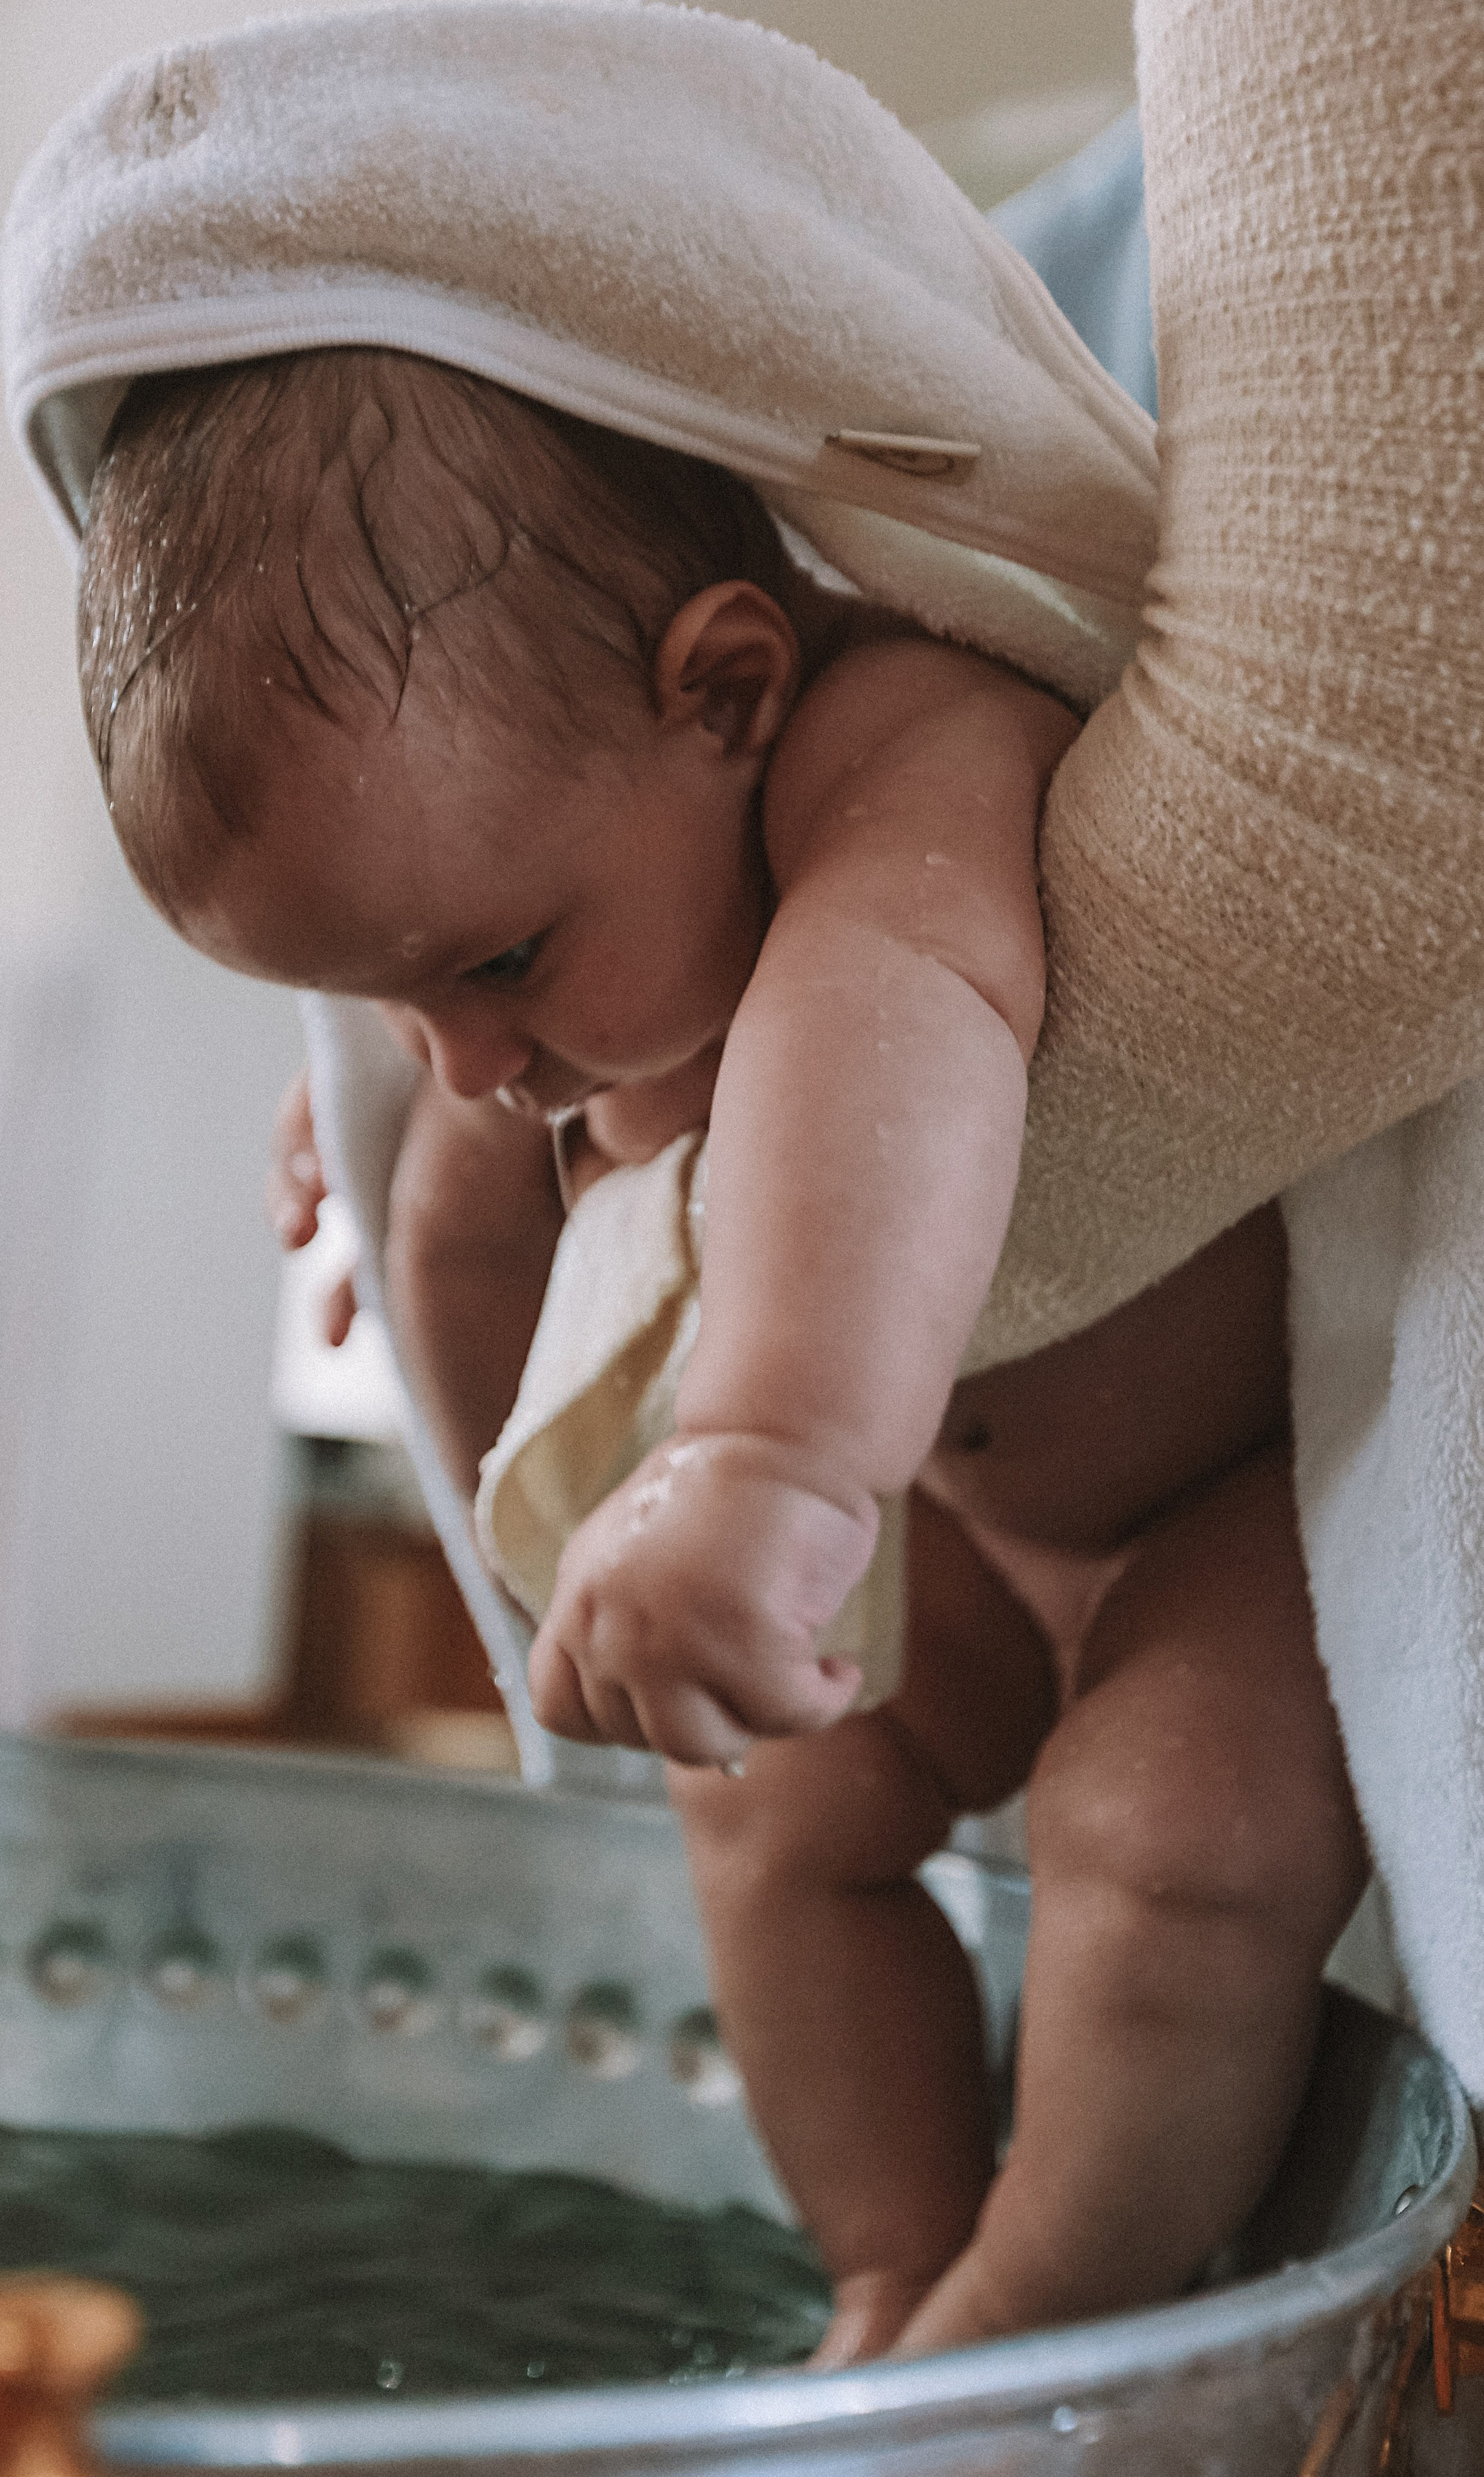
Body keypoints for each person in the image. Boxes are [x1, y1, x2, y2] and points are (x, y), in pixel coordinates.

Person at [83, 345, 1365, 2364]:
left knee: (1180, 1838)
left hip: (1230, 1505)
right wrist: (399, 1139)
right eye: (385, 1005)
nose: (476, 1063)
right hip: (947, 1516)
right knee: (764, 1811)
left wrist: (760, 1465)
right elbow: (473, 1227)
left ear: (730, 692)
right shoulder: (570, 899)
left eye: (494, 965)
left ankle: (1035, 2328)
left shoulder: (900, 738)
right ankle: (883, 2266)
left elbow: (894, 1004)